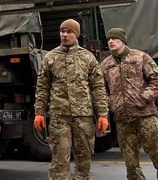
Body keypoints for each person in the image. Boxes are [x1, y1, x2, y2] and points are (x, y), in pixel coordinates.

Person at [34, 19, 109, 180]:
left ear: (76, 35)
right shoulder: (50, 57)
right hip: (59, 117)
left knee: (84, 159)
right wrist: (39, 112)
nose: (65, 35)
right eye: (62, 31)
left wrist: (103, 114)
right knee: (59, 160)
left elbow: (98, 88)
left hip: (83, 117)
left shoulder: (87, 57)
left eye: (69, 32)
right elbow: (42, 87)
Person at [100, 28, 158, 180]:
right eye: (109, 39)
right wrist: (111, 103)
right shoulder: (106, 64)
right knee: (131, 163)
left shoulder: (141, 57)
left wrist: (143, 98)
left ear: (123, 40)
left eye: (114, 39)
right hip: (122, 121)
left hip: (145, 117)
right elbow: (101, 89)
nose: (111, 42)